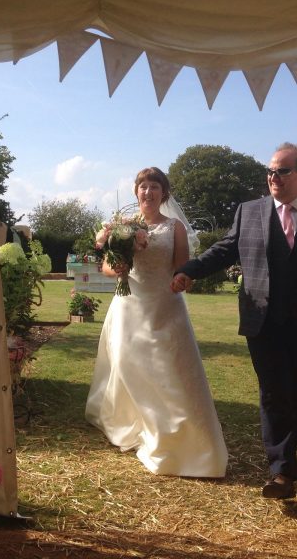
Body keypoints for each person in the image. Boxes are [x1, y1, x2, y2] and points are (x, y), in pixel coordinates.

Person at [171, 142, 297, 498]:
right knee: (274, 391)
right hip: (263, 319)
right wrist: (189, 271)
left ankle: (288, 459)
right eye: (271, 171)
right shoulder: (249, 211)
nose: (274, 177)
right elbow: (224, 249)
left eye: (283, 171)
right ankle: (281, 473)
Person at [85, 167, 228, 478]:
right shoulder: (120, 227)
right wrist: (118, 267)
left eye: (154, 187)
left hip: (164, 308)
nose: (147, 192)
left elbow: (182, 267)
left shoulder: (174, 227)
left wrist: (182, 280)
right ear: (136, 192)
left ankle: (178, 436)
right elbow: (108, 266)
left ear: (164, 194)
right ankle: (138, 424)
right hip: (128, 306)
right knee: (127, 364)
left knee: (167, 370)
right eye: (143, 187)